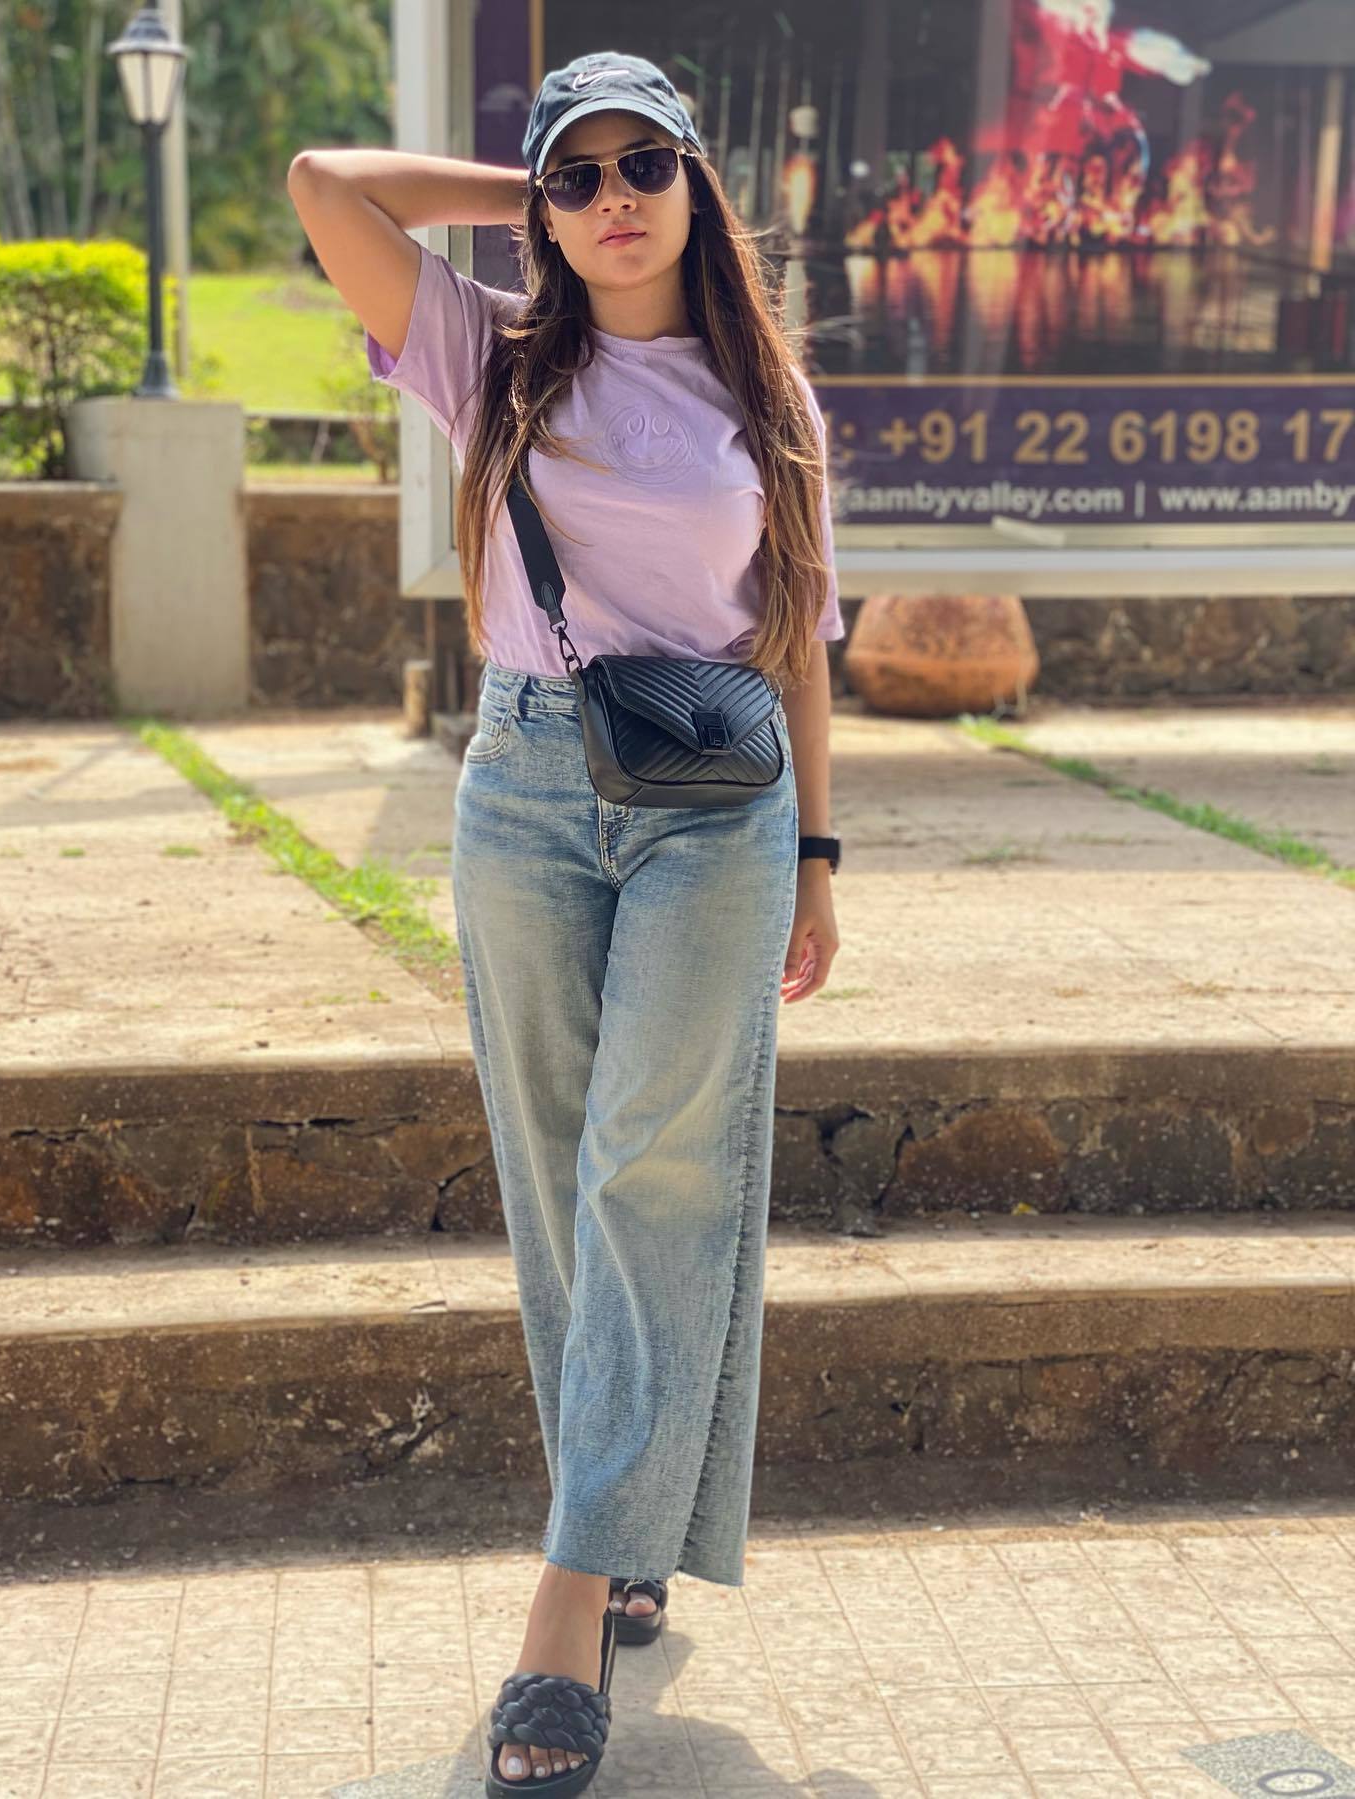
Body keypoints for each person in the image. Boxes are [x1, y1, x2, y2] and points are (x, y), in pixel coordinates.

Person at [288, 48, 844, 1792]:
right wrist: (514, 188)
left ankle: (567, 1602)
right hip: (525, 793)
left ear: (696, 185)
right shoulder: (496, 354)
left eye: (643, 166)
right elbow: (323, 187)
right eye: (579, 175)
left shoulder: (769, 398)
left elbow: (800, 642)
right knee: (556, 1178)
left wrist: (822, 856)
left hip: (718, 808)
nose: (614, 200)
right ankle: (627, 1526)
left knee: (647, 1172)